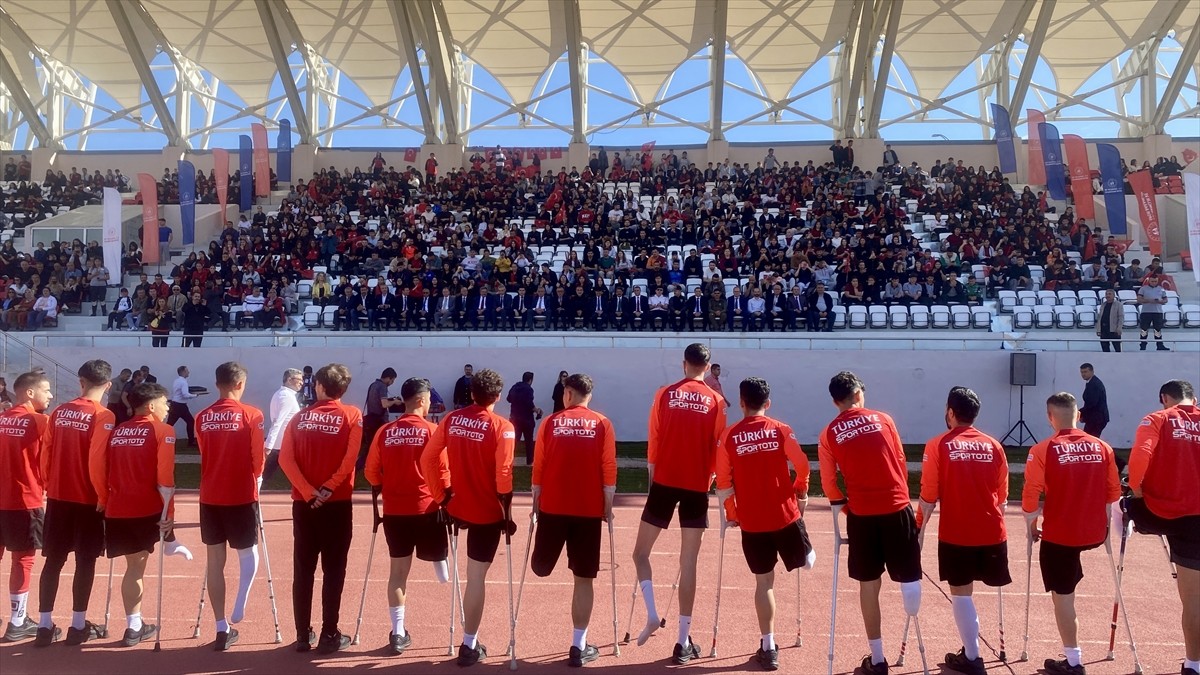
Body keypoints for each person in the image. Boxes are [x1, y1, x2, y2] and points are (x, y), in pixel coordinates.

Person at [818, 371, 921, 675]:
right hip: (896, 507)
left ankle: (877, 659)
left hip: (862, 514)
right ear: (859, 393)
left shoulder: (828, 433)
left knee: (869, 584)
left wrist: (846, 507)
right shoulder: (884, 419)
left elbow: (828, 483)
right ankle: (912, 609)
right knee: (908, 575)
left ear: (836, 401)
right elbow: (900, 460)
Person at [631, 343, 727, 664]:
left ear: (684, 363)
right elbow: (719, 447)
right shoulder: (716, 401)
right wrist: (713, 479)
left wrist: (653, 475)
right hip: (697, 485)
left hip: (665, 480)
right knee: (689, 563)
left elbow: (654, 438)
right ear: (708, 366)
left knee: (640, 553)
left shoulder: (664, 393)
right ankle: (682, 640)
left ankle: (652, 613)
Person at [714, 376, 814, 672]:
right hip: (785, 516)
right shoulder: (781, 429)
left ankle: (768, 646)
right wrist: (801, 489)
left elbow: (723, 483)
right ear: (767, 404)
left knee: (764, 583)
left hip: (753, 522)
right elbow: (803, 464)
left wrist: (732, 513)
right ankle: (804, 554)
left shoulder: (729, 436)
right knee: (803, 562)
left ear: (741, 403)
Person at [420, 368, 515, 667]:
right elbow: (503, 474)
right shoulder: (503, 426)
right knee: (476, 578)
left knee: (471, 577)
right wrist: (506, 512)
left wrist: (442, 496)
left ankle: (469, 642)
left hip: (457, 507)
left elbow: (427, 458)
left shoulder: (450, 419)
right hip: (487, 512)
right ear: (498, 396)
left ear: (471, 393)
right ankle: (469, 644)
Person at [1022, 392, 1121, 675]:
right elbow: (1113, 491)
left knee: (1062, 596)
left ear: (1049, 417)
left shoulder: (1043, 449)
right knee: (1066, 589)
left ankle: (1074, 660)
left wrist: (1031, 525)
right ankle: (1073, 657)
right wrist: (1102, 526)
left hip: (1060, 534)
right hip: (1093, 532)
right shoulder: (1103, 447)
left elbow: (1031, 494)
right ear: (1078, 415)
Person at [916, 387, 1010, 675]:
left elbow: (928, 495)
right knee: (970, 593)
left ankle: (972, 656)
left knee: (961, 593)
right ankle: (971, 653)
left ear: (951, 412)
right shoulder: (994, 445)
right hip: (993, 531)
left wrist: (918, 527)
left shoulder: (937, 445)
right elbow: (1002, 494)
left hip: (958, 533)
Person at [96, 381, 193, 649]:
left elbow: (102, 467)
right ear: (151, 405)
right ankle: (134, 628)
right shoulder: (164, 430)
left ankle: (134, 624)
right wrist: (169, 514)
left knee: (132, 569)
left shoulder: (116, 432)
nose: (168, 406)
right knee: (137, 569)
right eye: (165, 402)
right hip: (145, 509)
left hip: (118, 508)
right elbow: (165, 479)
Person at [530, 373, 617, 667]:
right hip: (588, 510)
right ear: (588, 395)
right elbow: (608, 465)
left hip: (553, 507)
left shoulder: (550, 423)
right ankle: (578, 645)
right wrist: (608, 503)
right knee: (584, 578)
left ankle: (542, 561)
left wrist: (535, 499)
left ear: (567, 394)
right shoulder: (603, 423)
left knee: (541, 567)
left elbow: (539, 464)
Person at [278, 364, 362, 654]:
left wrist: (308, 491)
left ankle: (303, 635)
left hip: (304, 504)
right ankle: (329, 633)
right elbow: (351, 460)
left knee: (303, 569)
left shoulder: (298, 417)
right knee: (334, 570)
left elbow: (285, 460)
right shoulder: (352, 415)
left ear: (319, 386)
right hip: (336, 503)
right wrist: (327, 488)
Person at [364, 377, 450, 655]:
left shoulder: (385, 432)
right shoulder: (433, 430)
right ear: (423, 400)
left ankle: (398, 632)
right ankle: (441, 568)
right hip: (428, 509)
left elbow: (370, 472)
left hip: (396, 511)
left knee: (398, 574)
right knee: (442, 563)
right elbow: (444, 471)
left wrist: (383, 485)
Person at [35, 360, 115, 646]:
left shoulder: (59, 412)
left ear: (80, 381)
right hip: (88, 500)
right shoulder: (103, 415)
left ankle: (44, 626)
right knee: (85, 560)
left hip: (59, 496)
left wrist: (48, 482)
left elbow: (46, 450)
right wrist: (103, 496)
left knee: (53, 561)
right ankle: (77, 625)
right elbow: (96, 459)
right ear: (108, 384)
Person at [1124, 379, 1199, 675]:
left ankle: (1194, 663)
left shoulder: (1158, 418)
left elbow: (1140, 456)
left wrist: (1136, 490)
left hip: (1173, 513)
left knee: (1193, 598)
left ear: (1165, 398)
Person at [195, 362, 265, 651]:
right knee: (248, 551)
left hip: (210, 495)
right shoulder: (252, 414)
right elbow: (257, 457)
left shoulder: (202, 416)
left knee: (215, 562)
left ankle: (221, 626)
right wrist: (257, 478)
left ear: (217, 383)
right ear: (240, 384)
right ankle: (240, 602)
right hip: (240, 494)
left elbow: (202, 450)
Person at [0, 372, 52, 642]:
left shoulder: (1, 418)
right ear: (30, 393)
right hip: (23, 500)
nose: (51, 395)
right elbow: (49, 462)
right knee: (23, 559)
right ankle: (18, 621)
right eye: (46, 390)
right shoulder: (40, 421)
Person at [263, 368, 304, 484]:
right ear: (289, 380)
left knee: (266, 474)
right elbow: (277, 421)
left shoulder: (282, 394)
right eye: (299, 380)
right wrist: (269, 445)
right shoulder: (286, 397)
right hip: (284, 444)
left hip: (283, 443)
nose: (302, 383)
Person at [361, 368, 402, 470]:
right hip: (379, 421)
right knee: (380, 446)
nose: (392, 383)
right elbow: (384, 404)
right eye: (392, 380)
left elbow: (378, 401)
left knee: (370, 446)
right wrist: (395, 402)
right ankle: (363, 466)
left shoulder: (373, 385)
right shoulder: (382, 386)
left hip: (371, 419)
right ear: (388, 378)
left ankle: (363, 466)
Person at [506, 371, 541, 466]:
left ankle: (509, 459)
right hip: (526, 419)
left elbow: (508, 399)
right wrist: (536, 410)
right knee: (529, 440)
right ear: (530, 380)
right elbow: (529, 403)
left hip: (514, 418)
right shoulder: (529, 389)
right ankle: (529, 461)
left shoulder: (515, 387)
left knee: (514, 440)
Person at [167, 366, 201, 447]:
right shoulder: (183, 382)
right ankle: (191, 442)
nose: (188, 372)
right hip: (180, 405)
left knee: (170, 424)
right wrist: (195, 395)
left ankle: (162, 438)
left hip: (176, 404)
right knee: (190, 422)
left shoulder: (176, 381)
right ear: (183, 372)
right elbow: (185, 394)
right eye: (187, 371)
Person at [1137, 274, 1170, 351]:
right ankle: (1143, 345)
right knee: (1144, 329)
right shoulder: (1143, 289)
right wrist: (1149, 300)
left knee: (1157, 329)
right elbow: (1139, 299)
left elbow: (1165, 300)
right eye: (1152, 281)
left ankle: (1159, 345)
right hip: (1146, 312)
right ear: (1149, 280)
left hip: (1157, 312)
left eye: (1155, 281)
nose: (1154, 283)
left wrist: (1160, 301)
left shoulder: (1161, 289)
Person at [1078, 363, 1109, 440]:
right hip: (1095, 418)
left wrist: (1080, 413)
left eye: (1085, 372)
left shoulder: (1094, 384)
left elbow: (1092, 403)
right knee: (1089, 439)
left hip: (1097, 418)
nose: (1083, 374)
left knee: (1089, 440)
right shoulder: (1091, 382)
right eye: (1082, 372)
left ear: (1092, 372)